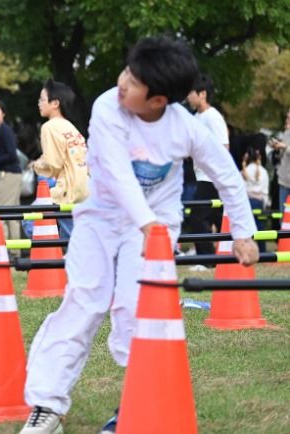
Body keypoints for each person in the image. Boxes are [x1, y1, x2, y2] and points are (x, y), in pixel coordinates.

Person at [20, 36, 259, 434]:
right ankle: (47, 405)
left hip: (155, 227)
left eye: (134, 81)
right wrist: (147, 223)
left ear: (158, 101)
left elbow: (226, 175)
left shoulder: (186, 128)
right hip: (100, 216)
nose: (122, 83)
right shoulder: (106, 106)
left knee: (138, 311)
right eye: (126, 72)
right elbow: (114, 172)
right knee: (83, 303)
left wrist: (244, 232)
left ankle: (134, 405)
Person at [183, 74, 230, 266]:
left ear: (202, 94)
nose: (187, 97)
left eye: (190, 93)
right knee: (215, 218)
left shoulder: (213, 117)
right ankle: (221, 257)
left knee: (197, 217)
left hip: (211, 176)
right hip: (201, 174)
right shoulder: (196, 118)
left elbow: (224, 146)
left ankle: (207, 261)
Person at [33, 79, 89, 238]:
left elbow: (53, 163)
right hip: (83, 186)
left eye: (42, 100)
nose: (39, 103)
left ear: (55, 103)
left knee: (29, 221)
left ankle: (49, 255)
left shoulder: (49, 127)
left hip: (65, 188)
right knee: (71, 233)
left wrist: (37, 165)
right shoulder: (69, 126)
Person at [0, 99, 23, 243]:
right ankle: (14, 252)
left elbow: (11, 154)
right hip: (10, 174)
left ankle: (4, 250)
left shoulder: (5, 130)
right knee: (12, 215)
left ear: (3, 113)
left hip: (9, 174)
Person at [242, 146, 270, 251]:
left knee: (247, 228)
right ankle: (262, 250)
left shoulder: (245, 170)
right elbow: (266, 190)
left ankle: (248, 250)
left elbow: (243, 190)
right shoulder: (264, 171)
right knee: (260, 226)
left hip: (249, 201)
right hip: (260, 201)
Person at [270, 109, 290, 209]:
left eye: (289, 118)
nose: (287, 120)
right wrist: (277, 147)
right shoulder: (286, 133)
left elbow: (286, 148)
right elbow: (282, 156)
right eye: (287, 117)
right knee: (283, 216)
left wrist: (285, 147)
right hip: (283, 180)